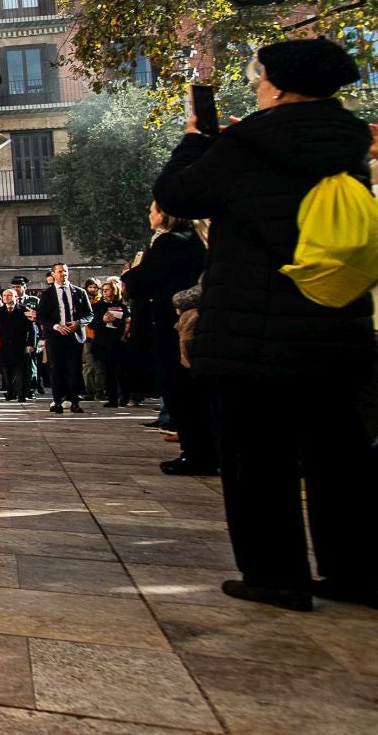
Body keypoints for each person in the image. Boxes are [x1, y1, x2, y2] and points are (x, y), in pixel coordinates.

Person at [154, 38, 377, 611]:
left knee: (258, 457)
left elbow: (177, 192)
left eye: (258, 77)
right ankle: (355, 572)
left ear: (276, 84)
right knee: (339, 456)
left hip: (255, 326)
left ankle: (276, 576)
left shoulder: (249, 143)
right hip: (334, 320)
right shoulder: (346, 140)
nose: (255, 85)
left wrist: (196, 139)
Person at [123, 203, 211, 473]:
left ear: (165, 215)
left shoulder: (171, 242)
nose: (149, 215)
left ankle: (196, 454)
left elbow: (141, 281)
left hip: (175, 324)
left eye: (152, 210)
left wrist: (130, 275)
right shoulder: (199, 238)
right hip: (192, 323)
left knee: (180, 387)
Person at [37, 264, 90, 413]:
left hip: (74, 335)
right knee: (56, 368)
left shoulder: (79, 292)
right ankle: (57, 400)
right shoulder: (47, 294)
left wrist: (78, 323)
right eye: (59, 272)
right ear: (53, 274)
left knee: (74, 368)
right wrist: (55, 326)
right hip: (56, 336)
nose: (63, 274)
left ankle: (74, 400)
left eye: (65, 271)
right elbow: (41, 316)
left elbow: (89, 314)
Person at [89, 278, 132, 407]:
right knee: (108, 371)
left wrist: (121, 324)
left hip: (118, 342)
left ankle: (124, 395)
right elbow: (91, 324)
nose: (105, 292)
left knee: (121, 371)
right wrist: (102, 320)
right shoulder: (96, 307)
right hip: (103, 343)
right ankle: (112, 398)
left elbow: (127, 322)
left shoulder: (122, 306)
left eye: (108, 290)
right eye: (104, 290)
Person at [0, 287, 33, 401]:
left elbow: (31, 329)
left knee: (21, 371)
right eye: (4, 295)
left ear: (16, 297)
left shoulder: (24, 310)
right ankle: (10, 392)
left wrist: (30, 344)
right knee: (6, 370)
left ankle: (21, 394)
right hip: (4, 346)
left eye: (9, 295)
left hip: (20, 345)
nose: (6, 297)